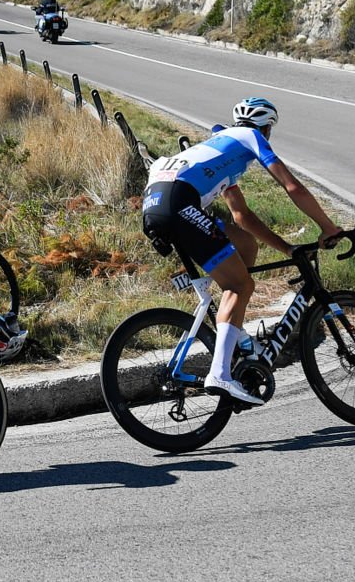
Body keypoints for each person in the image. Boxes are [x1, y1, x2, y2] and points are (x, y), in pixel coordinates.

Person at [142, 97, 343, 407]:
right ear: (266, 128)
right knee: (241, 285)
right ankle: (220, 374)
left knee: (245, 245)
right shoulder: (250, 138)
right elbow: (293, 187)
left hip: (157, 202)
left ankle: (233, 333)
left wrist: (288, 248)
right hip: (178, 202)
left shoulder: (220, 151)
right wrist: (328, 226)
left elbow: (243, 218)